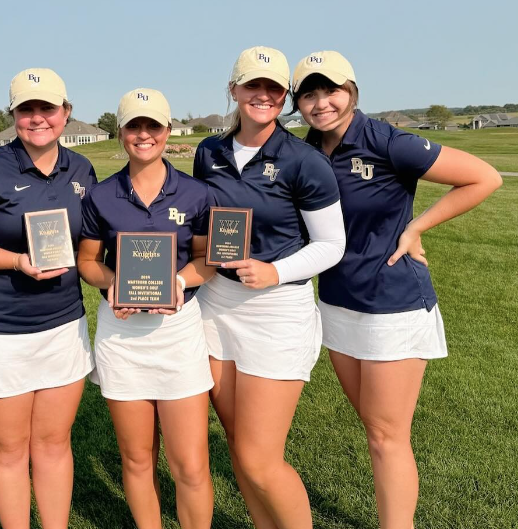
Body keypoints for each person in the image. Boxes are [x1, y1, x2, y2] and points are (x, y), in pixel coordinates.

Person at [292, 50, 502, 529]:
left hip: (392, 304)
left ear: (352, 91)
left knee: (388, 436)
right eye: (309, 93)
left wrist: (417, 227)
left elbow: (483, 178)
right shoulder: (307, 152)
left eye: (332, 90)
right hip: (337, 303)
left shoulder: (385, 140)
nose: (322, 102)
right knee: (374, 430)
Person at [193, 46, 347, 529]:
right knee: (241, 449)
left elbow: (331, 245)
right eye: (252, 85)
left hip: (277, 309)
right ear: (234, 90)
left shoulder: (304, 161)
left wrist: (275, 271)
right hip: (217, 305)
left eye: (274, 89)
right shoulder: (209, 152)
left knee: (260, 459)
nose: (263, 95)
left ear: (284, 98)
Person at [0, 68, 95, 529]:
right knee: (8, 449)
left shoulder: (80, 169)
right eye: (26, 109)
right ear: (13, 116)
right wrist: (16, 261)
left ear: (66, 113)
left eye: (47, 108)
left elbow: (89, 242)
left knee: (53, 443)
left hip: (63, 323)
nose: (37, 118)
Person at [77, 88, 215, 529]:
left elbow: (206, 261)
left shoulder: (196, 194)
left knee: (189, 465)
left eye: (152, 126)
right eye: (133, 126)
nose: (143, 134)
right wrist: (114, 283)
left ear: (167, 130)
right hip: (122, 336)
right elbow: (87, 262)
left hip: (177, 335)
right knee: (137, 460)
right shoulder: (100, 196)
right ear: (121, 133)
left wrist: (176, 282)